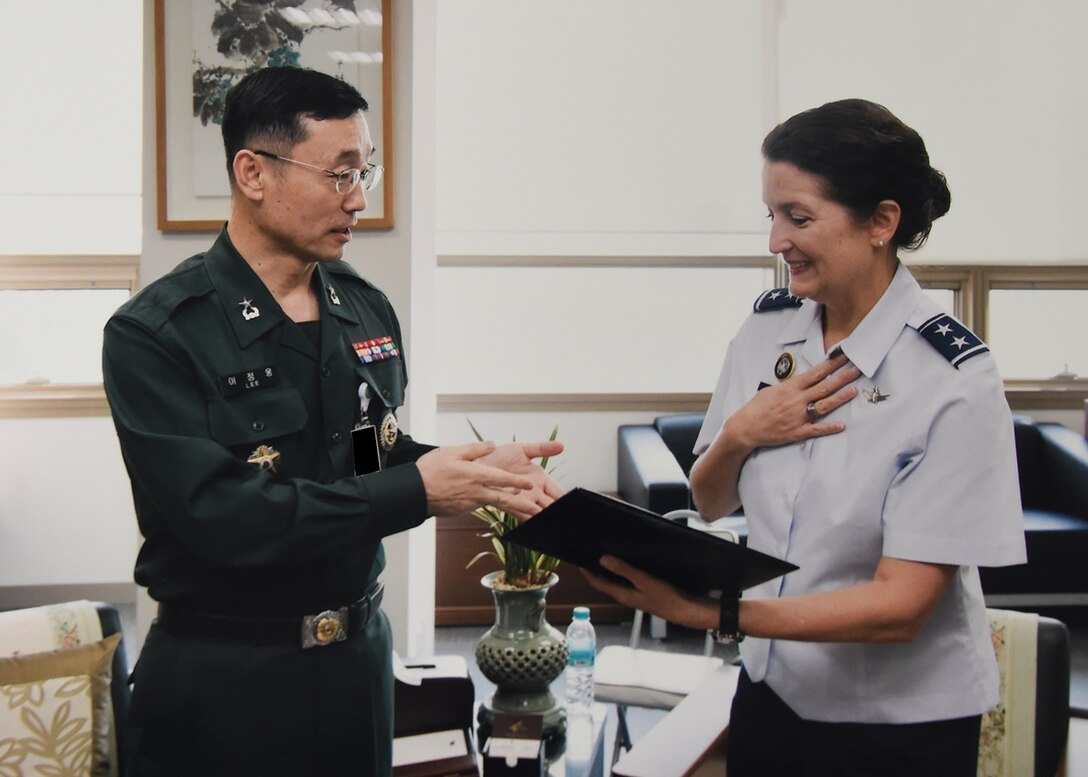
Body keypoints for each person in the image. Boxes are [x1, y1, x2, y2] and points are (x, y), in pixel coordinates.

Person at [102, 66, 563, 777]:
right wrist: (420, 489)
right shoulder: (157, 333)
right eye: (340, 173)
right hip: (226, 681)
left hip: (355, 671)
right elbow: (222, 517)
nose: (359, 198)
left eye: (365, 172)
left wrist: (475, 472)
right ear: (254, 173)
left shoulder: (363, 307)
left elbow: (367, 452)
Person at [586, 99, 1025, 776]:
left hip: (901, 721)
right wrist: (740, 433)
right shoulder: (769, 331)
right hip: (773, 690)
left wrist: (712, 612)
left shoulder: (952, 378)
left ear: (881, 222)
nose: (775, 241)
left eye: (798, 217)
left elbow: (901, 607)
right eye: (770, 215)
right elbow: (709, 500)